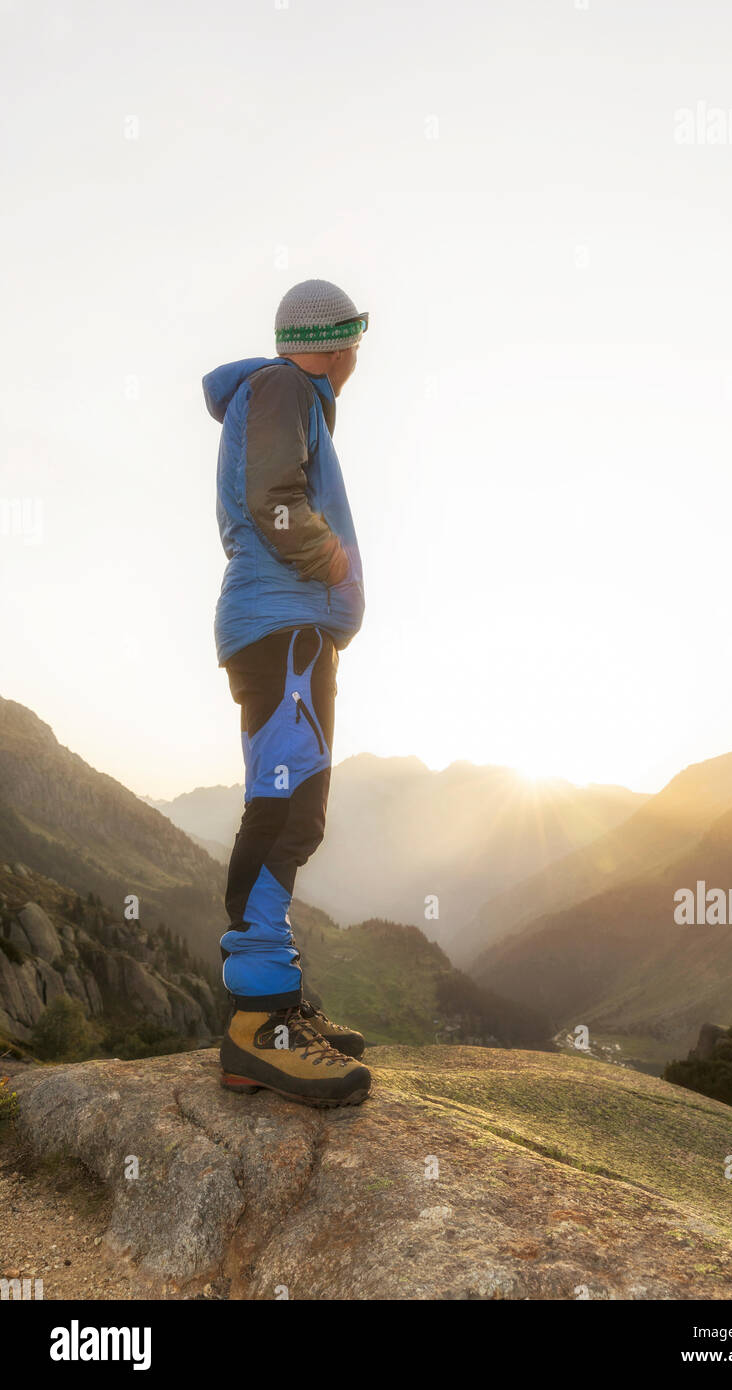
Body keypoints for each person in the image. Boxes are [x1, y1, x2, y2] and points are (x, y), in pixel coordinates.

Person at [202, 279, 371, 1108]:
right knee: (287, 805)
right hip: (284, 627)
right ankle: (258, 1027)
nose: (356, 361)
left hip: (284, 630)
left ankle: (273, 1003)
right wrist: (329, 556)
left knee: (291, 803)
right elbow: (275, 502)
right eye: (355, 343)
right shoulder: (283, 388)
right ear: (336, 344)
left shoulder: (280, 392)